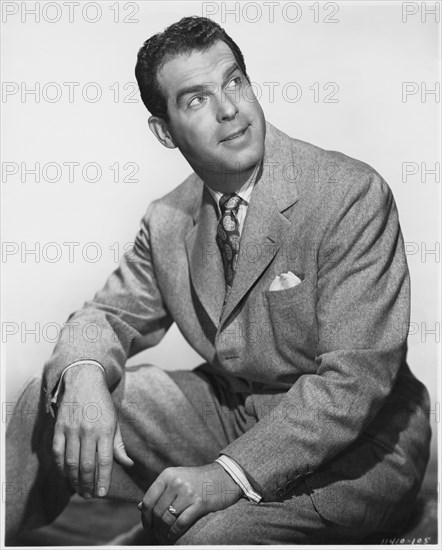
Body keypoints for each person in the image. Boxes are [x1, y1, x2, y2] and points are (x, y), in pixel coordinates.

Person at [5, 15, 432, 545]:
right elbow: (107, 315)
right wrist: (87, 371)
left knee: (209, 539)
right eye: (196, 99)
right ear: (164, 131)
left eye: (234, 81)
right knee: (47, 399)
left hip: (359, 452)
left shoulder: (351, 195)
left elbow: (354, 384)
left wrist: (227, 474)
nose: (229, 108)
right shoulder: (168, 218)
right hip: (230, 417)